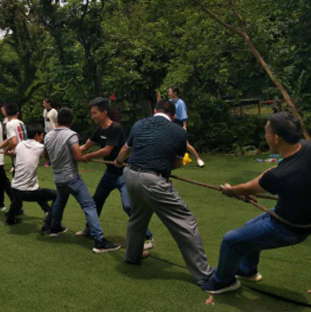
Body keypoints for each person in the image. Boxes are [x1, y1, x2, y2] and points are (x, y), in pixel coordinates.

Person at [202, 112, 311, 294]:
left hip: (290, 228)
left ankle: (222, 282)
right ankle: (247, 271)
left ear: (276, 138)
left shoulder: (280, 175)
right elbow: (268, 176)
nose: (265, 136)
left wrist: (231, 191)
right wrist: (248, 190)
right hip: (305, 219)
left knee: (231, 240)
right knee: (248, 228)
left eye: (266, 132)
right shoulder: (307, 148)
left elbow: (246, 187)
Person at [116, 99, 212, 286]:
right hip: (153, 180)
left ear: (154, 111)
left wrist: (119, 161)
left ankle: (132, 256)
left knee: (138, 217)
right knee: (185, 222)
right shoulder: (179, 132)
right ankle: (205, 276)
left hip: (130, 175)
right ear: (174, 115)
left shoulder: (139, 124)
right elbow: (176, 163)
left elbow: (124, 151)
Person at [76, 98, 155, 250]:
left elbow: (107, 150)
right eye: (91, 113)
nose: (92, 116)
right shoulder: (99, 129)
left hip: (123, 173)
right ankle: (90, 229)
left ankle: (148, 236)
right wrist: (73, 151)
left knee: (127, 205)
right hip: (110, 173)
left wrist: (88, 156)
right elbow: (86, 145)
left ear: (104, 113)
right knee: (95, 202)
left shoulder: (116, 128)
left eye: (95, 113)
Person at [45, 107, 121, 254]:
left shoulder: (48, 136)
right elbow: (78, 156)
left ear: (56, 120)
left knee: (60, 202)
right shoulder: (71, 135)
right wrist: (85, 156)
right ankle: (99, 241)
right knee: (89, 206)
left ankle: (55, 228)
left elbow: (46, 157)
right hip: (72, 179)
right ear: (72, 121)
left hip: (58, 178)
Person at [6, 124, 56, 232]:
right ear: (36, 135)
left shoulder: (20, 145)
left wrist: (10, 152)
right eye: (42, 135)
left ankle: (10, 219)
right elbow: (50, 156)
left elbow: (14, 153)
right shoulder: (40, 147)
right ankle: (48, 222)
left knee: (18, 200)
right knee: (56, 195)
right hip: (28, 192)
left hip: (14, 188)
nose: (42, 138)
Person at [160, 86, 205, 167]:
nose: (168, 93)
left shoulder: (181, 103)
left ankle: (198, 159)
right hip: (171, 123)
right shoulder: (170, 101)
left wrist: (184, 126)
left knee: (186, 144)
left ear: (175, 93)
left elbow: (184, 115)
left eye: (170, 92)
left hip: (179, 123)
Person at [0, 103, 27, 175]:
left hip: (18, 159)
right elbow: (9, 139)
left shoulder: (10, 124)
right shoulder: (21, 122)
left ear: (6, 112)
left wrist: (7, 150)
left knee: (18, 184)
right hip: (26, 155)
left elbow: (14, 142)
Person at [42, 98, 58, 167]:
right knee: (47, 147)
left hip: (53, 131)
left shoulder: (54, 111)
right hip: (47, 131)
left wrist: (57, 130)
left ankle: (55, 160)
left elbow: (56, 121)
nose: (43, 104)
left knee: (53, 146)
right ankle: (48, 160)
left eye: (44, 103)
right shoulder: (45, 111)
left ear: (49, 103)